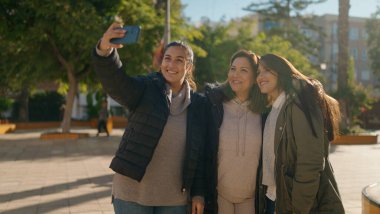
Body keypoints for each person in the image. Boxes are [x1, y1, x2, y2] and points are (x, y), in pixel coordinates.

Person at [92, 22, 207, 214]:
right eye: (167, 58)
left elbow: (200, 155)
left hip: (174, 199)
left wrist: (198, 193)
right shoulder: (146, 87)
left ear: (189, 67)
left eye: (179, 60)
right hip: (132, 194)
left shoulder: (199, 105)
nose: (171, 64)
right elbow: (116, 83)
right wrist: (105, 51)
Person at [255, 53, 345, 213]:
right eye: (258, 72)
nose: (260, 76)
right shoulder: (275, 108)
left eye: (266, 70)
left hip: (295, 204)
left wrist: (298, 207)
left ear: (281, 72)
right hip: (273, 198)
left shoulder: (298, 103)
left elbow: (310, 162)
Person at [204, 50, 267, 214]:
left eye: (243, 70)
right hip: (219, 196)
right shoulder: (213, 105)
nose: (235, 74)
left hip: (251, 198)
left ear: (255, 78)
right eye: (233, 69)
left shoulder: (265, 110)